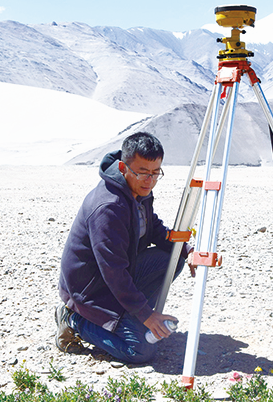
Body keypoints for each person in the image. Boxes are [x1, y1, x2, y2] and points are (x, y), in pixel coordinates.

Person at [55, 132, 191, 363]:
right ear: (122, 167)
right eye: (142, 172)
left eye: (155, 173)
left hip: (116, 276)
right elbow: (114, 272)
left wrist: (188, 251)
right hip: (90, 291)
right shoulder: (109, 207)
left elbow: (154, 229)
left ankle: (129, 318)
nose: (149, 180)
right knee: (141, 350)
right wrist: (147, 316)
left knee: (173, 257)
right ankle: (73, 319)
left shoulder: (137, 190)